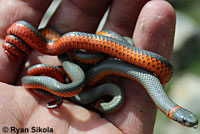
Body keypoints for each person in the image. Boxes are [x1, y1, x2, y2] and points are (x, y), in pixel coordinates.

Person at [0, 0, 175, 133]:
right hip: (69, 53)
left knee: (89, 61)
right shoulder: (66, 53)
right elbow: (52, 47)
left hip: (78, 66)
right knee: (68, 53)